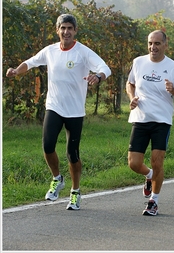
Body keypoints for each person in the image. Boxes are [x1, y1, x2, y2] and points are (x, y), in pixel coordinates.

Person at [6, 14, 112, 210]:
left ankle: (75, 192)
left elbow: (105, 68)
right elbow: (30, 63)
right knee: (47, 146)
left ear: (75, 31)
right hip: (54, 106)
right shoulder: (50, 51)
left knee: (72, 154)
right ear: (57, 30)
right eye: (63, 28)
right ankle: (57, 178)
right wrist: (15, 71)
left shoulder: (83, 52)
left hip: (75, 111)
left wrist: (98, 77)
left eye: (70, 28)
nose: (66, 32)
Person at [126, 30, 174, 216]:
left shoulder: (173, 67)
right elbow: (130, 83)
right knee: (134, 163)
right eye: (150, 43)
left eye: (157, 44)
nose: (153, 47)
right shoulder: (138, 62)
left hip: (161, 120)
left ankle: (154, 200)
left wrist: (173, 90)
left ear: (165, 44)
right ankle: (149, 176)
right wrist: (132, 97)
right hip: (140, 118)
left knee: (157, 161)